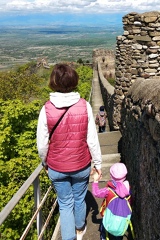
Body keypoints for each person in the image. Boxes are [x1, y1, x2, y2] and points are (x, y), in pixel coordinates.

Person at [37, 63, 102, 240]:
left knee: (65, 204)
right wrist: (98, 163)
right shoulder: (85, 106)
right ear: (74, 80)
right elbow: (92, 139)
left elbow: (42, 144)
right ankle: (80, 229)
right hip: (81, 164)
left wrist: (45, 163)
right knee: (79, 198)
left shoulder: (46, 109)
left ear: (53, 82)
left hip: (57, 167)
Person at [92, 162, 131, 240]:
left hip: (109, 219)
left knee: (104, 230)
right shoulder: (128, 189)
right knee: (118, 236)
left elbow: (96, 193)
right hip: (122, 221)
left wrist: (95, 181)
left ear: (111, 176)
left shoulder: (108, 190)